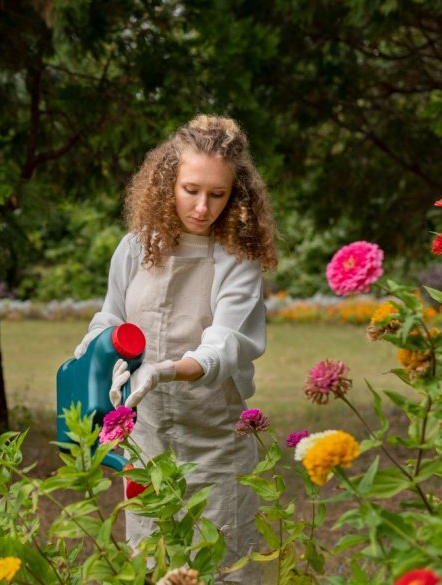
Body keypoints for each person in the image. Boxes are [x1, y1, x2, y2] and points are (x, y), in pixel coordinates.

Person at [73, 115, 278, 584]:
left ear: (236, 195)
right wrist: (96, 341)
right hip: (146, 445)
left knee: (225, 569)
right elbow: (112, 315)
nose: (203, 207)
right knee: (153, 567)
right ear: (166, 181)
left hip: (216, 447)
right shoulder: (134, 248)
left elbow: (221, 346)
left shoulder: (238, 262)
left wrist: (162, 370)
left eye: (217, 194)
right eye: (191, 190)